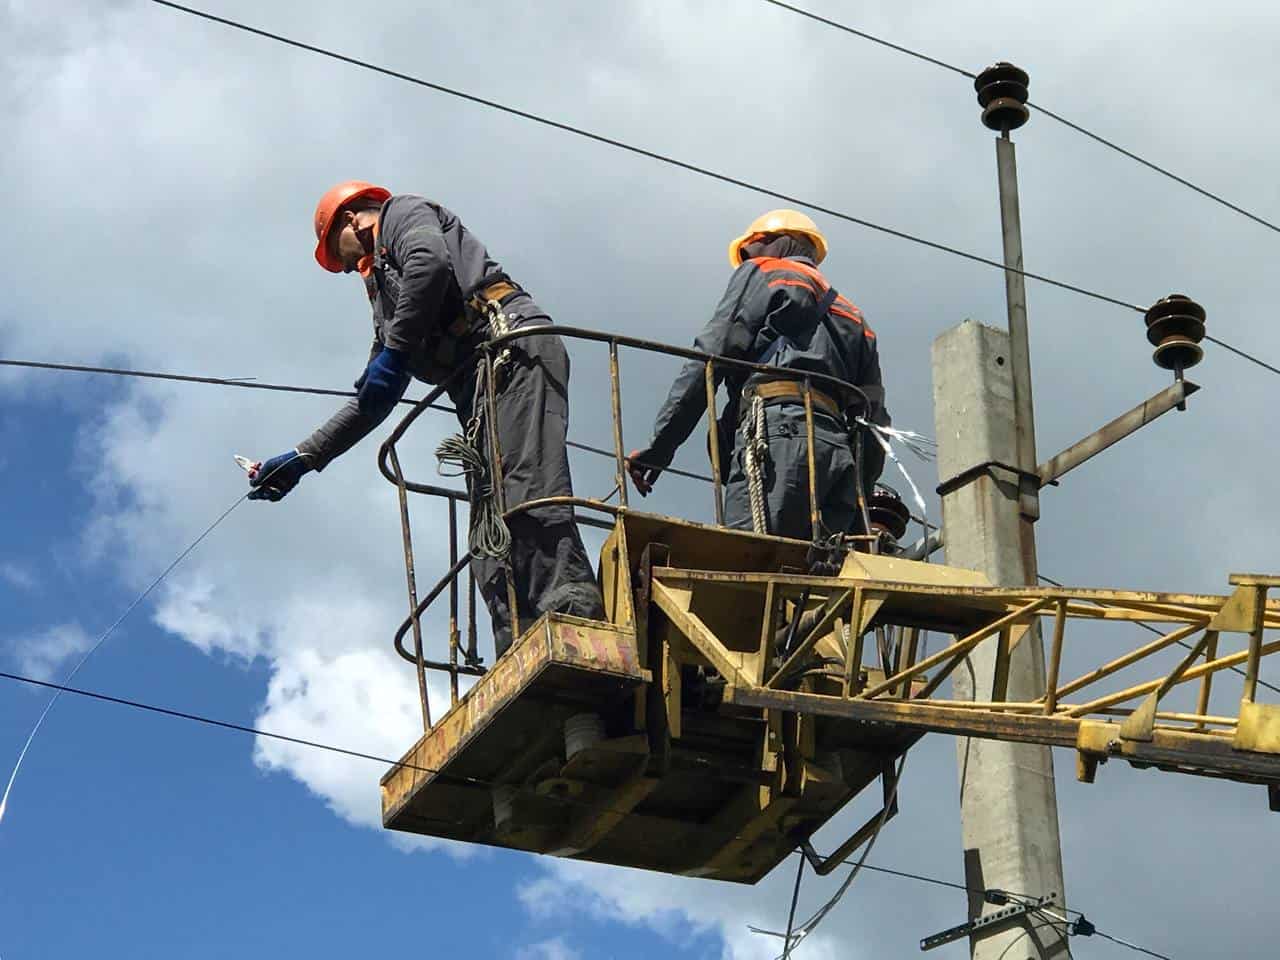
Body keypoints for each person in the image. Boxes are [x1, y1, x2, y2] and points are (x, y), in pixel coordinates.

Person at [248, 181, 604, 655]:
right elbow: (373, 399)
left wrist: (395, 353)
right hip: (480, 389)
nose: (350, 268)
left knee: (526, 490)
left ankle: (573, 615)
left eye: (341, 253)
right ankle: (518, 644)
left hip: (514, 351)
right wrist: (304, 457)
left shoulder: (403, 214)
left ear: (351, 218)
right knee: (487, 538)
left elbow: (430, 263)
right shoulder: (387, 304)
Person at [626, 209, 890, 540]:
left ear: (773, 243)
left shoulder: (765, 272)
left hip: (776, 438)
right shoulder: (855, 316)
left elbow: (710, 356)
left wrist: (660, 448)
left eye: (749, 251)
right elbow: (876, 423)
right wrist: (857, 498)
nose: (746, 260)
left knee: (749, 558)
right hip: (837, 458)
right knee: (817, 580)